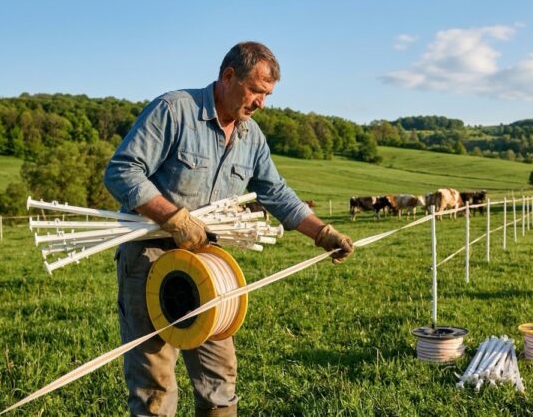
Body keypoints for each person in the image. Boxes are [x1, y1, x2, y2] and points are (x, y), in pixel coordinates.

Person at [103, 41, 354, 417]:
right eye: (255, 90)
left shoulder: (251, 137)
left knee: (219, 377)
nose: (260, 103)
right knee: (154, 384)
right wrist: (174, 217)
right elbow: (121, 171)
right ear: (228, 76)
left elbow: (276, 193)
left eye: (267, 95)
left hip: (207, 264)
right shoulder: (175, 110)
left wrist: (323, 234)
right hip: (150, 256)